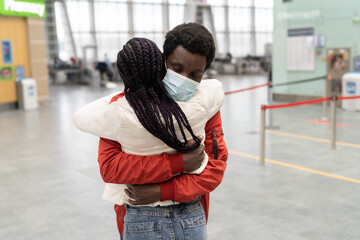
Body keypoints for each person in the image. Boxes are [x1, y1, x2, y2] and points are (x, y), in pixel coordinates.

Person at [74, 36, 224, 239]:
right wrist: (180, 162)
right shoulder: (206, 104)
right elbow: (111, 167)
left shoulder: (118, 112)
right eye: (176, 69)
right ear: (162, 63)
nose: (183, 79)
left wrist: (162, 191)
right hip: (189, 213)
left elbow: (215, 169)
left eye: (195, 74)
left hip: (147, 212)